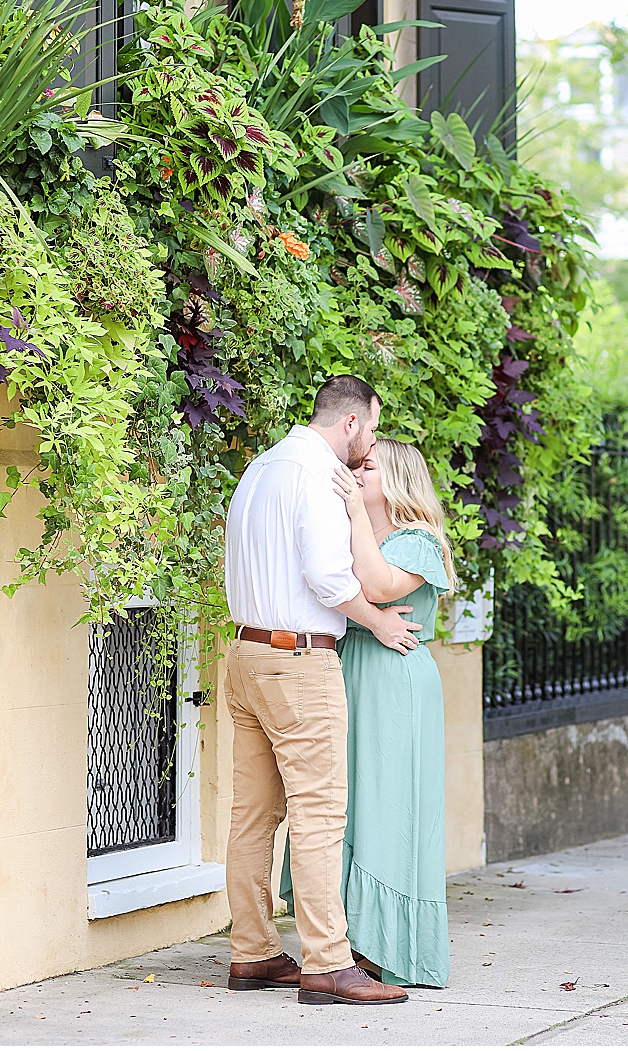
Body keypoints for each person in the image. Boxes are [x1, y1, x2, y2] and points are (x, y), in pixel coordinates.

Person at [223, 376, 423, 1006]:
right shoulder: (316, 474)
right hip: (299, 662)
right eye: (371, 426)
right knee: (319, 814)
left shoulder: (261, 469)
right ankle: (328, 963)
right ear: (351, 423)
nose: (370, 443)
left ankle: (251, 955)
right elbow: (328, 576)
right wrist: (378, 620)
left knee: (252, 817)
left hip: (247, 653)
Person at [280, 437, 453, 988]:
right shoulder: (359, 532)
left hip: (395, 679)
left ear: (398, 478)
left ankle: (388, 944)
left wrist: (353, 510)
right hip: (350, 668)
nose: (355, 472)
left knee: (387, 804)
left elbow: (378, 587)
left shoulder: (418, 540)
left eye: (368, 466)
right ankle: (346, 941)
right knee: (344, 801)